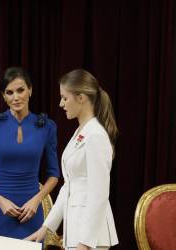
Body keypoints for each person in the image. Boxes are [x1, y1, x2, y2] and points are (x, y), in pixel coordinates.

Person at [26, 69, 119, 250]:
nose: (61, 104)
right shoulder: (81, 133)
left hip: (90, 239)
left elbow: (99, 193)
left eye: (64, 98)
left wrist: (85, 242)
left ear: (81, 98)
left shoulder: (96, 135)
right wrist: (45, 228)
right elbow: (69, 187)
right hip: (77, 232)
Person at [0, 67, 60, 239]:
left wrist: (36, 201)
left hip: (31, 215)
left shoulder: (47, 127)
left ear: (30, 90)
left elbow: (54, 175)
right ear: (4, 96)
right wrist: (0, 201)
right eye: (9, 92)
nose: (16, 97)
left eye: (21, 90)